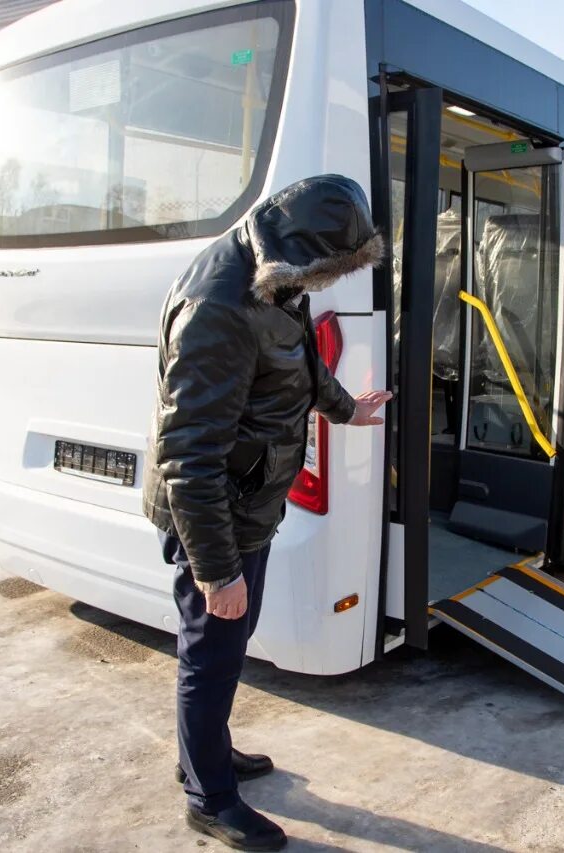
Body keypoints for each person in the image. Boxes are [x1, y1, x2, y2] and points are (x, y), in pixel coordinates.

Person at [141, 174, 390, 851]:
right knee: (211, 648)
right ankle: (208, 794)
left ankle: (206, 750)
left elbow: (299, 363)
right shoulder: (218, 304)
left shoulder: (276, 276)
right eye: (329, 269)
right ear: (302, 248)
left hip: (250, 499)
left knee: (229, 642)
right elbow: (188, 453)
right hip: (214, 513)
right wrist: (217, 571)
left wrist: (348, 409)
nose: (328, 284)